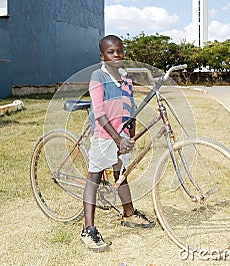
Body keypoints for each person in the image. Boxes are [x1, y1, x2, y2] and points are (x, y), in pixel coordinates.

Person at [80, 35, 155, 252]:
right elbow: (100, 113)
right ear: (102, 56)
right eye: (111, 52)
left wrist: (129, 133)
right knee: (94, 177)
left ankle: (129, 212)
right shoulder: (98, 76)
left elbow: (128, 108)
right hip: (105, 136)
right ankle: (88, 228)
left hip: (122, 135)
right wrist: (117, 138)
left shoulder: (125, 78)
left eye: (120, 51)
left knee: (120, 173)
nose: (117, 55)